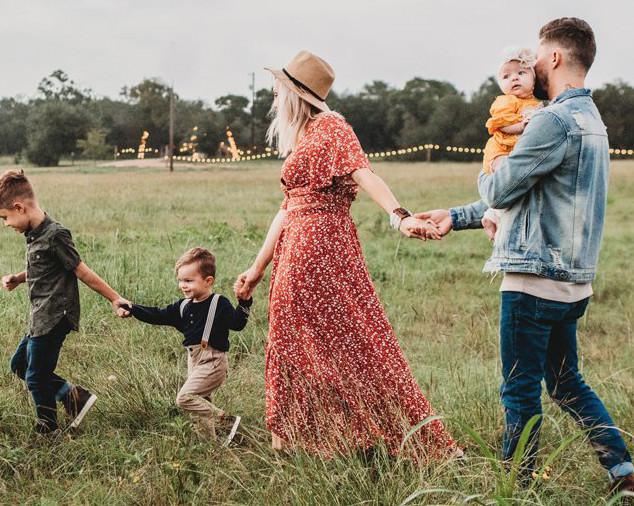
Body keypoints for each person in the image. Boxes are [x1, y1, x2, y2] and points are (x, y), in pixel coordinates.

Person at [418, 18, 634, 493]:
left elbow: (501, 186)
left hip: (533, 280)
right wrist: (457, 216)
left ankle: (517, 487)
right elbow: (530, 195)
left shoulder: (552, 120)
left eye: (537, 54)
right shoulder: (592, 121)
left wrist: (489, 158)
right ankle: (624, 471)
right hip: (573, 281)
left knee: (519, 389)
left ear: (554, 58)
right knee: (565, 383)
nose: (531, 63)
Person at [234, 50, 457, 459]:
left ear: (295, 93)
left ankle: (368, 436)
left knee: (351, 341)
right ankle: (302, 440)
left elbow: (364, 172)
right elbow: (286, 209)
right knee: (300, 343)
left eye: (278, 88)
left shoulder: (332, 127)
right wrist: (256, 268)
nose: (273, 95)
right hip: (297, 247)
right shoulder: (304, 136)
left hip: (320, 248)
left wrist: (399, 216)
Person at [0, 169, 129, 434]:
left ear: (19, 207)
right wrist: (18, 277)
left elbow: (80, 270)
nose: (5, 224)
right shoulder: (34, 235)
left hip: (56, 315)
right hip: (40, 315)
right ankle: (74, 397)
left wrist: (115, 298)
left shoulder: (56, 234)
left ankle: (48, 428)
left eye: (4, 218)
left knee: (36, 376)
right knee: (19, 365)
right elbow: (44, 268)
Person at [120, 247, 251, 445]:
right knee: (201, 406)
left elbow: (238, 324)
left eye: (189, 281)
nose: (183, 285)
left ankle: (225, 420)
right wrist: (132, 308)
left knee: (185, 398)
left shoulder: (219, 303)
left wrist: (244, 302)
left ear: (208, 281)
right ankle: (210, 447)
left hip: (213, 361)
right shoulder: (183, 306)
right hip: (194, 360)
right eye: (180, 280)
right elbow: (158, 314)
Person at [481, 48, 543, 238]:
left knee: (517, 182)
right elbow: (502, 125)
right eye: (506, 76)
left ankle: (491, 215)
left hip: (514, 151)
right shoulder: (506, 101)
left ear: (533, 79)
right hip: (500, 150)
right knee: (507, 179)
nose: (514, 78)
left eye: (521, 73)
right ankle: (496, 217)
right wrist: (522, 125)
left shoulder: (536, 103)